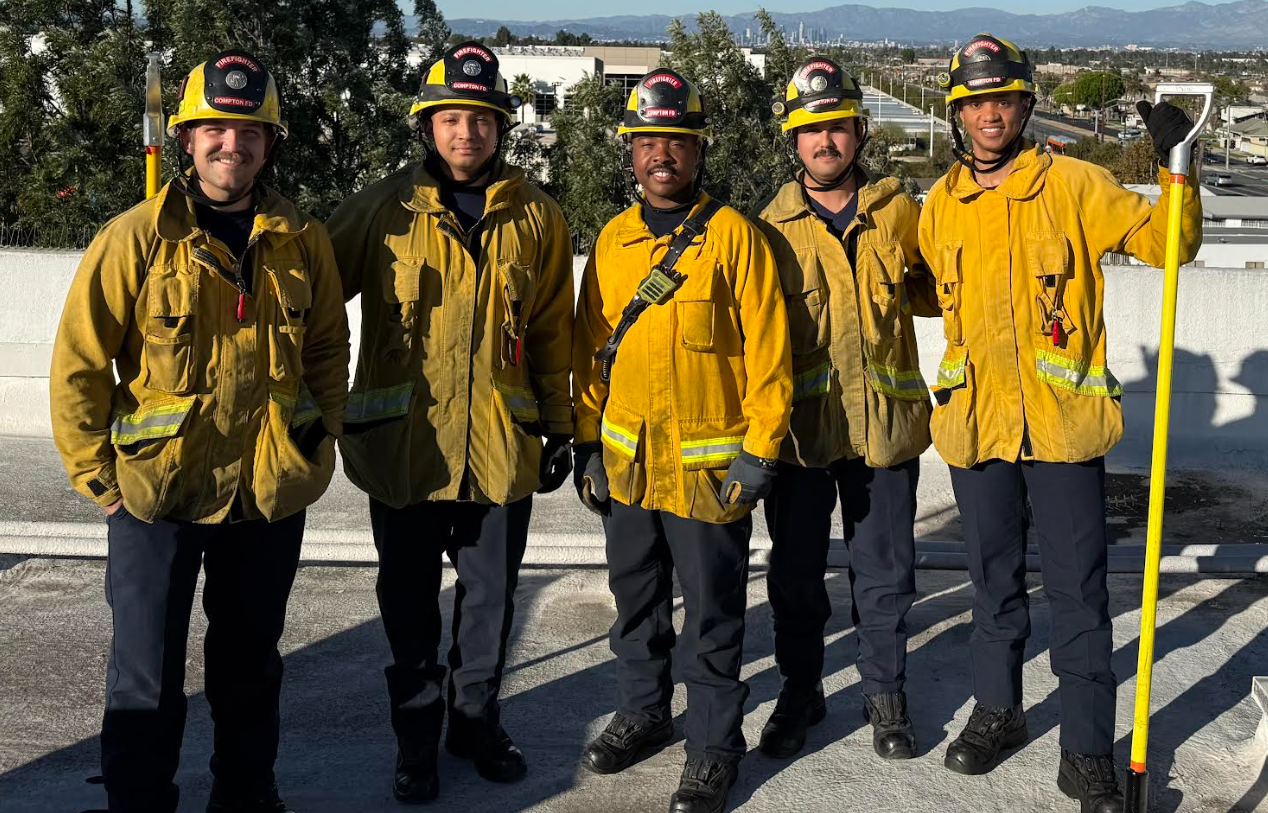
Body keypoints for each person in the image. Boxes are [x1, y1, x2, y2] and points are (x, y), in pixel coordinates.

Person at [50, 50, 349, 813]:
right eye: (215, 130)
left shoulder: (301, 237)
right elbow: (81, 361)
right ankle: (139, 802)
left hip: (267, 492)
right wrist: (102, 481)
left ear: (269, 144)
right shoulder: (137, 238)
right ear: (186, 140)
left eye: (250, 132)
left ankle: (246, 797)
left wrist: (315, 445)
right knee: (144, 672)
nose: (232, 146)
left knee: (250, 665)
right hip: (155, 496)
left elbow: (325, 348)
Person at [920, 33, 1203, 813]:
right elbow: (922, 292)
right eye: (974, 102)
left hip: (1063, 430)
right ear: (957, 113)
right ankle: (998, 710)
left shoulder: (1078, 184)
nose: (989, 114)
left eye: (1002, 99)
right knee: (993, 585)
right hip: (978, 430)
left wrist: (1181, 165)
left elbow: (1170, 244)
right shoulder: (939, 204)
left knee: (1079, 594)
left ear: (1024, 104)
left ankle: (1085, 752)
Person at [325, 41, 574, 804]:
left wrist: (561, 425)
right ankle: (415, 743)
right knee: (407, 609)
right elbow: (302, 306)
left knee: (490, 601)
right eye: (452, 119)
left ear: (501, 127)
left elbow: (554, 329)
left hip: (499, 449)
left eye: (482, 119)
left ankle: (474, 724)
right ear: (427, 125)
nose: (468, 133)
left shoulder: (536, 215)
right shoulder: (380, 210)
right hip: (405, 453)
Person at [572, 68, 791, 813]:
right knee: (635, 602)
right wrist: (587, 443)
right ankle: (643, 712)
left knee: (711, 616)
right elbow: (590, 350)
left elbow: (769, 355)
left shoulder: (734, 237)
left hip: (708, 478)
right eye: (647, 141)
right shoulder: (612, 240)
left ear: (699, 150)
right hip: (631, 472)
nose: (661, 154)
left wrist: (760, 450)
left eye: (677, 141)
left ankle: (712, 749)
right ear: (630, 152)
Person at [752, 56, 936, 762]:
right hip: (801, 439)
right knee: (796, 575)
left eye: (836, 128)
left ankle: (885, 692)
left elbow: (939, 291)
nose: (824, 141)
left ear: (860, 132)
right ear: (793, 143)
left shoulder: (899, 212)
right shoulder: (768, 230)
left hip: (885, 433)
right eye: (810, 131)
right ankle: (802, 691)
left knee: (886, 573)